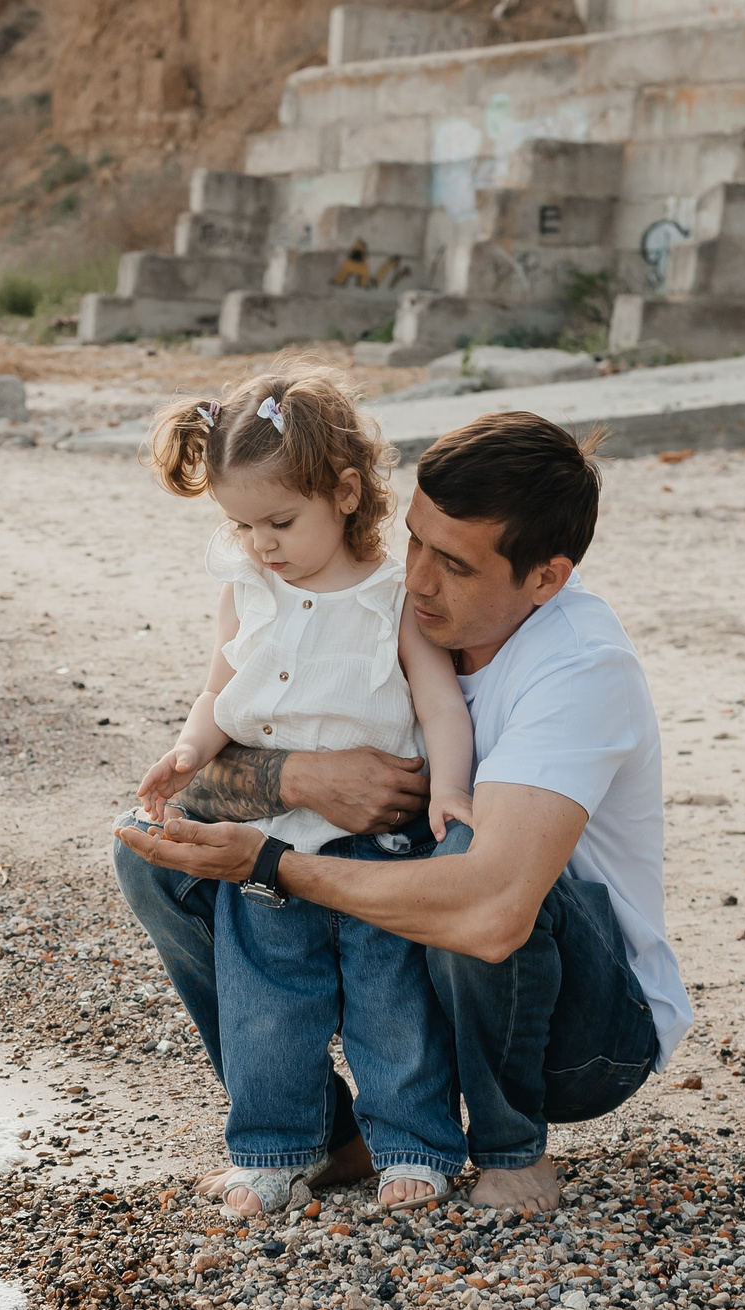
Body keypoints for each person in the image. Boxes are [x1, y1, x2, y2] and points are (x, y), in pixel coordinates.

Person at [115, 410, 688, 1217]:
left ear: (545, 578)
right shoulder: (365, 608)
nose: (416, 578)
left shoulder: (576, 666)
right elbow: (206, 776)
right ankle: (322, 1134)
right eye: (415, 540)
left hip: (584, 1031)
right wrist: (307, 778)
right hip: (437, 948)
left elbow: (492, 912)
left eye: (452, 564)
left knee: (467, 867)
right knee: (149, 853)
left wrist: (274, 865)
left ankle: (508, 1148)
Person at [131, 367, 479, 1219]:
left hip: (380, 852)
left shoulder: (391, 598)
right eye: (243, 524)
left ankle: (412, 1147)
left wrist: (453, 794)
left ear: (346, 491)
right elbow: (220, 689)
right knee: (266, 1008)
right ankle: (277, 1152)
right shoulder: (248, 589)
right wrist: (187, 750)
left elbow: (438, 702)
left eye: (280, 521)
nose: (263, 543)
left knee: (392, 1008)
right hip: (272, 841)